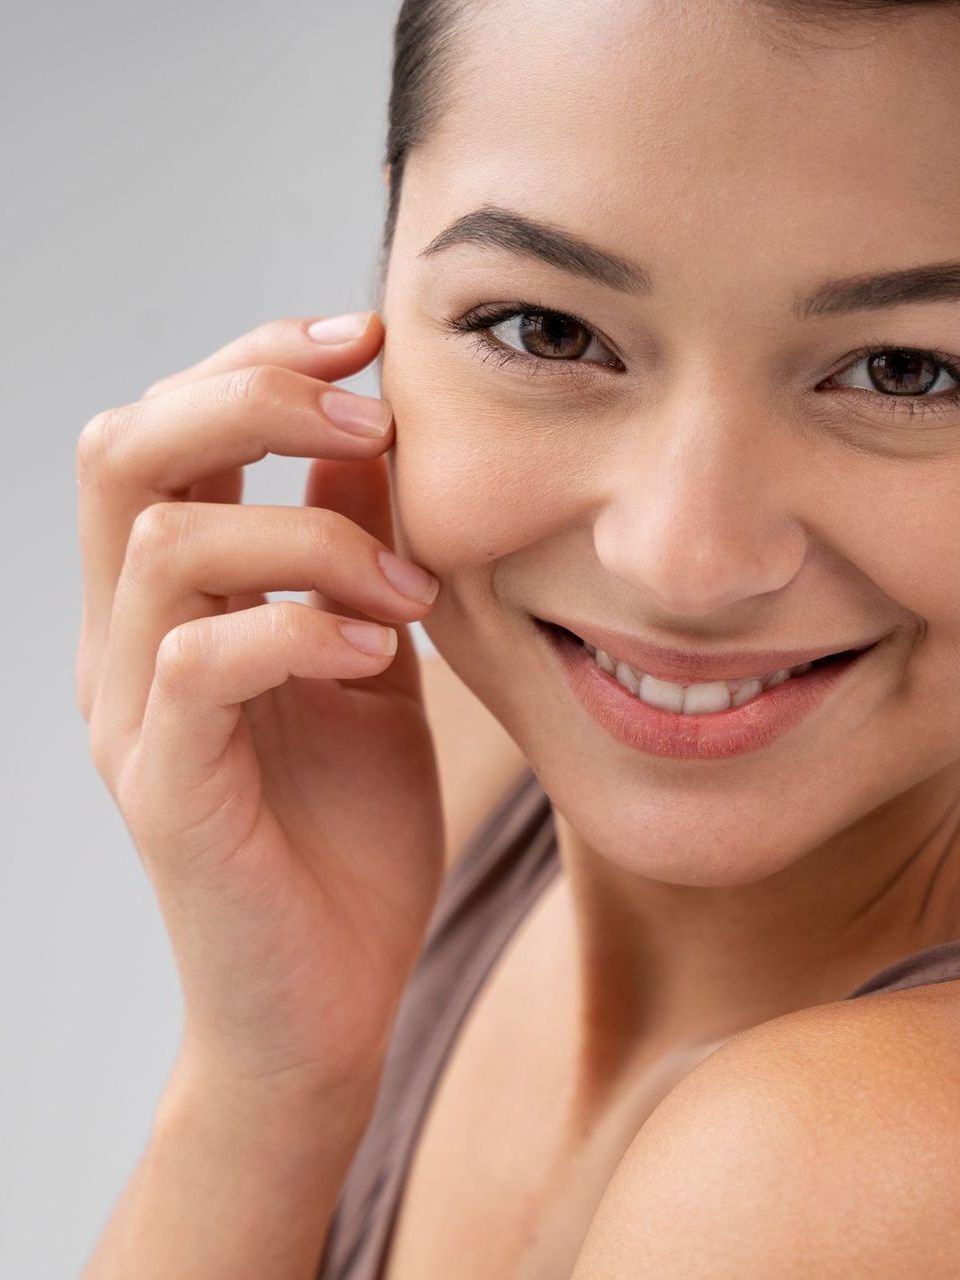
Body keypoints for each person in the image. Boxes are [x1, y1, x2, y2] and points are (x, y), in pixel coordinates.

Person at [76, 0, 960, 1275]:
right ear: (386, 272)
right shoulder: (435, 769)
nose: (683, 558)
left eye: (905, 372)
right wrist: (268, 1078)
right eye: (546, 330)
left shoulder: (852, 1166)